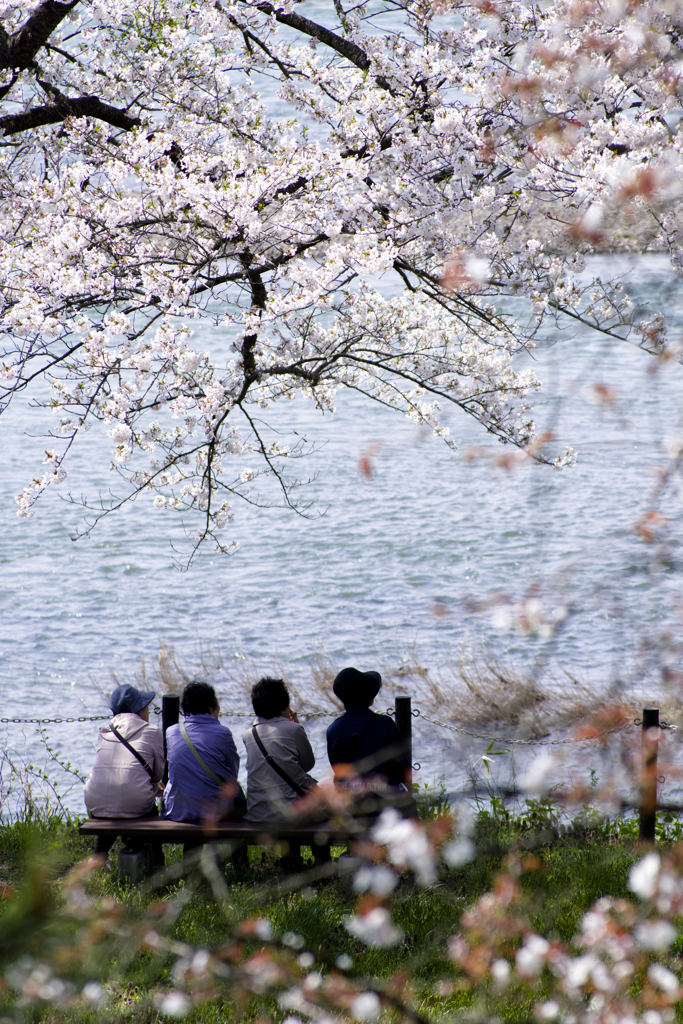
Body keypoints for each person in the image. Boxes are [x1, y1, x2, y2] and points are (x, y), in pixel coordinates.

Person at [84, 683, 165, 861]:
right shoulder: (152, 731)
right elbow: (158, 774)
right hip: (135, 804)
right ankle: (158, 863)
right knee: (145, 807)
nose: (148, 711)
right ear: (138, 711)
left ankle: (97, 860)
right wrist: (153, 785)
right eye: (146, 706)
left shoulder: (104, 731)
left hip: (94, 801)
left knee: (111, 803)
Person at [163, 680, 246, 824]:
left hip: (178, 810)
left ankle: (191, 846)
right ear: (211, 706)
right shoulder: (223, 733)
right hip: (215, 812)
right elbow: (232, 775)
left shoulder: (172, 732)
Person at [326, 667, 409, 799]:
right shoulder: (385, 724)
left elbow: (337, 769)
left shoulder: (333, 730)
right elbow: (402, 770)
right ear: (367, 696)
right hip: (386, 802)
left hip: (352, 803)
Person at [242, 677, 316, 821]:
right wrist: (296, 727)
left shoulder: (248, 735)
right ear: (284, 706)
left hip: (257, 813)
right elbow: (308, 765)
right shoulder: (294, 729)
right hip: (291, 814)